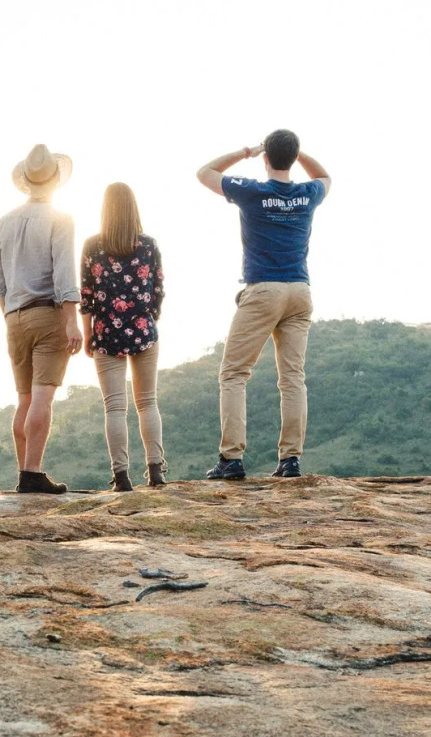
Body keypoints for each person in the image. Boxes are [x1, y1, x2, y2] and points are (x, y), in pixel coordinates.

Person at [195, 129, 331, 480]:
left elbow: (205, 172)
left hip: (264, 289)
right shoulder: (307, 194)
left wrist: (246, 152)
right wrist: (298, 154)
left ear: (266, 158)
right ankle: (290, 459)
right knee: (292, 378)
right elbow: (325, 176)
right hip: (299, 290)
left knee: (234, 373)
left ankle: (232, 458)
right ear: (293, 158)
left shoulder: (252, 191)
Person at [0, 144, 83, 494]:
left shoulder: (3, 222)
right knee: (43, 398)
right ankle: (32, 472)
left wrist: (10, 316)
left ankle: (24, 472)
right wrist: (71, 320)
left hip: (14, 317)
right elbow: (64, 273)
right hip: (47, 313)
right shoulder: (60, 219)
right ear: (56, 180)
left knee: (25, 398)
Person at [80, 182, 167, 492]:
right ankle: (156, 470)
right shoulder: (148, 245)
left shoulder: (92, 246)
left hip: (107, 333)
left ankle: (121, 477)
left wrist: (88, 334)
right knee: (147, 403)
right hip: (143, 329)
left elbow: (86, 296)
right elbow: (158, 288)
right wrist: (149, 317)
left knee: (115, 408)